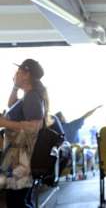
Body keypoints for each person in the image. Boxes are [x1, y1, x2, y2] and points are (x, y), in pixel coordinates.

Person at [0, 59, 48, 208]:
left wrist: (4, 123)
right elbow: (11, 105)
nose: (15, 74)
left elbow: (35, 126)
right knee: (18, 200)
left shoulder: (32, 97)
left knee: (16, 202)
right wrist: (15, 86)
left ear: (26, 75)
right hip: (16, 156)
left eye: (18, 72)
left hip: (22, 158)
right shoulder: (28, 96)